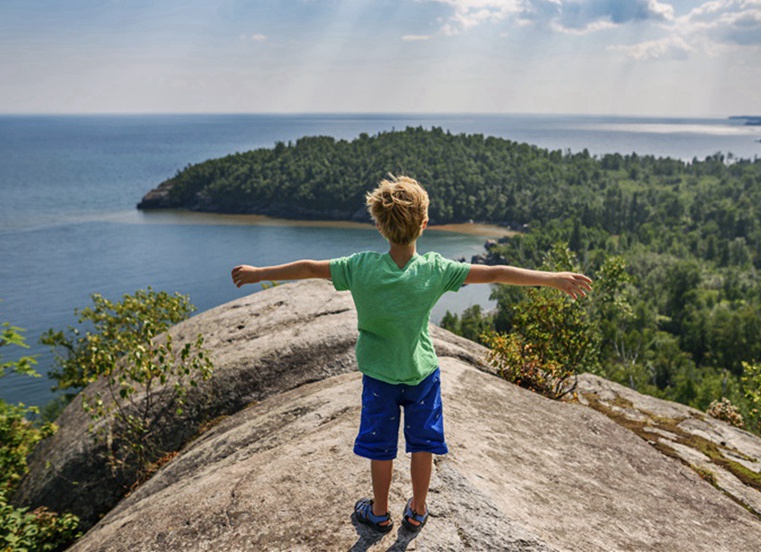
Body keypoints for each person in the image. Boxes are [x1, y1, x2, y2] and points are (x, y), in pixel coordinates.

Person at [231, 175, 592, 534]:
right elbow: (495, 273)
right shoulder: (436, 270)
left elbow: (309, 267)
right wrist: (552, 278)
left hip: (379, 376)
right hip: (422, 373)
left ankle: (379, 512)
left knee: (380, 446)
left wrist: (259, 273)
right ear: (424, 224)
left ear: (378, 226)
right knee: (423, 444)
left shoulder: (359, 267)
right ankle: (418, 510)